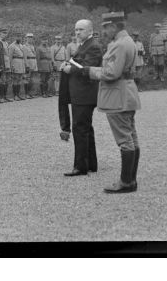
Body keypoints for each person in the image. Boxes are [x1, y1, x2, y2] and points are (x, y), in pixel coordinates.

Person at [82, 12, 141, 193]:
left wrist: (89, 71)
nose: (104, 30)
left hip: (117, 96)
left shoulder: (119, 45)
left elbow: (111, 73)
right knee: (131, 137)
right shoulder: (128, 41)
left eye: (106, 27)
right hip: (127, 93)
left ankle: (126, 182)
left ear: (114, 26)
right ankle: (130, 180)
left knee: (124, 140)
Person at [60, 19, 102, 176]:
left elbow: (89, 69)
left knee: (80, 129)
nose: (77, 32)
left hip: (85, 94)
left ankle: (81, 166)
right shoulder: (86, 45)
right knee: (86, 129)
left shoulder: (94, 47)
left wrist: (70, 69)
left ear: (90, 30)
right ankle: (90, 163)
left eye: (81, 30)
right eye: (76, 30)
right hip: (81, 93)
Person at [8, 32, 27, 101]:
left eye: (20, 37)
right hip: (15, 63)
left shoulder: (22, 46)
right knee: (15, 79)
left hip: (21, 63)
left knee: (19, 79)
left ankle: (18, 95)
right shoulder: (12, 46)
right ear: (14, 37)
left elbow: (24, 56)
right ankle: (15, 95)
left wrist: (25, 64)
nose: (19, 38)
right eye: (17, 36)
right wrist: (11, 66)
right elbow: (10, 57)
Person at [0, 29, 13, 102]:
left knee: (7, 80)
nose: (5, 35)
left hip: (8, 63)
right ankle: (1, 97)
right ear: (0, 34)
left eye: (6, 33)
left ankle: (5, 96)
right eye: (3, 33)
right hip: (3, 63)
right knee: (2, 80)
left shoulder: (6, 43)